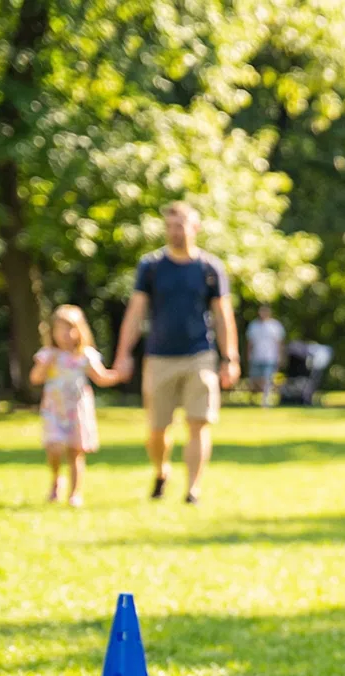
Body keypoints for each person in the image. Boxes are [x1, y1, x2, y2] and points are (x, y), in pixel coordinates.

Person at [110, 202, 238, 505]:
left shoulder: (209, 268)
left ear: (196, 228)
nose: (174, 232)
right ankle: (161, 470)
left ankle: (193, 490)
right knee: (157, 429)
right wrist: (123, 355)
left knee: (198, 422)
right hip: (159, 356)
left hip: (200, 354)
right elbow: (135, 312)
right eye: (169, 226)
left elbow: (223, 315)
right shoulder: (151, 267)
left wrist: (230, 357)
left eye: (180, 225)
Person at [28, 305, 117, 507]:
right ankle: (56, 479)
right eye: (61, 329)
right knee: (54, 448)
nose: (66, 335)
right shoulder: (48, 354)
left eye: (71, 329)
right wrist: (45, 364)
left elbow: (101, 377)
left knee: (76, 451)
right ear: (53, 332)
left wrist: (119, 374)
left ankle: (75, 493)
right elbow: (35, 378)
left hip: (77, 408)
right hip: (54, 408)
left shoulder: (85, 355)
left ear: (80, 331)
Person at [246, 304, 285, 406]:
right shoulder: (253, 325)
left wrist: (280, 356)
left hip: (270, 357)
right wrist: (248, 355)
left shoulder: (275, 326)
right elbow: (250, 343)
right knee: (255, 379)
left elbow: (279, 343)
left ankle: (265, 401)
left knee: (268, 379)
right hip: (256, 356)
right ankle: (254, 399)